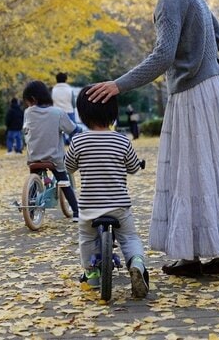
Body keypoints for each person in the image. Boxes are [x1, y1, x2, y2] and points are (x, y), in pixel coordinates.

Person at [87, 0, 219, 277]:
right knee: (215, 168)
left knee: (191, 171)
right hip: (214, 87)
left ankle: (193, 255)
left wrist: (118, 85)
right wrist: (202, 59)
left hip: (194, 92)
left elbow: (162, 57)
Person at [66, 85, 149, 298]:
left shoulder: (78, 141)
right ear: (113, 113)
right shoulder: (122, 140)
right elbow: (132, 168)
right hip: (119, 206)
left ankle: (92, 274)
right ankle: (137, 263)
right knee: (129, 238)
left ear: (83, 115)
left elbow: (69, 167)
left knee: (85, 238)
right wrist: (137, 165)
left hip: (89, 207)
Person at [21, 80, 80, 222]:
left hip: (34, 157)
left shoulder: (28, 113)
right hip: (54, 158)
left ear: (33, 99)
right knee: (64, 182)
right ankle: (77, 212)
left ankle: (31, 209)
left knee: (34, 182)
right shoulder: (57, 113)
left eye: (27, 101)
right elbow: (72, 129)